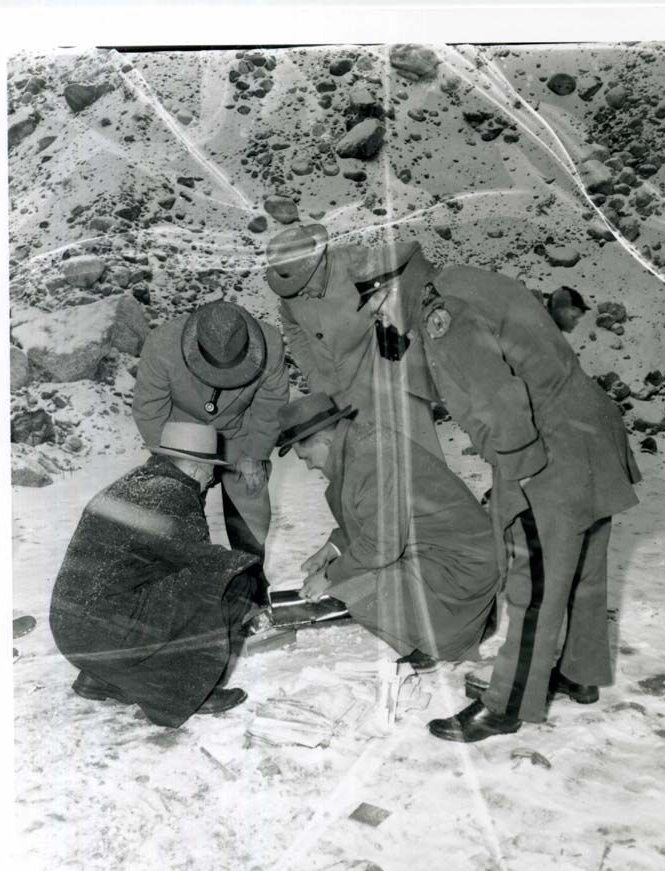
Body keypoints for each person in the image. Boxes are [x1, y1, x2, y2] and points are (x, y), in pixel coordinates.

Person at [352, 244, 641, 742]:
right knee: (585, 565)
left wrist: (519, 474)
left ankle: (507, 706)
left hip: (548, 446)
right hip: (590, 427)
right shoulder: (463, 278)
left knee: (535, 583)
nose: (377, 315)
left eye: (376, 303)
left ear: (395, 286)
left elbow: (498, 398)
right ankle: (580, 672)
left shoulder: (441, 314)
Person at [49, 422, 261, 729]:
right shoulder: (175, 494)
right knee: (233, 579)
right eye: (210, 473)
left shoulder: (134, 482)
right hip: (106, 637)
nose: (210, 481)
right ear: (196, 467)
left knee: (156, 588)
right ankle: (186, 691)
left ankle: (103, 679)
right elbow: (203, 565)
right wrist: (251, 581)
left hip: (71, 633)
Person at [276, 393, 499, 667]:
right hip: (457, 552)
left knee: (356, 588)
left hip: (464, 566)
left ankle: (446, 641)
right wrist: (331, 549)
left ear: (324, 442)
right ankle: (467, 621)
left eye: (306, 457)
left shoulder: (367, 461)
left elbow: (381, 545)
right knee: (357, 572)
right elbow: (375, 516)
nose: (310, 466)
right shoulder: (361, 442)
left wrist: (329, 575)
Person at [132, 299, 288, 601]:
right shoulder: (162, 344)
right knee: (178, 515)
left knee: (250, 503)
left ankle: (251, 587)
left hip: (239, 433)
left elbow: (271, 406)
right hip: (181, 438)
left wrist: (255, 455)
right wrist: (181, 465)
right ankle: (191, 593)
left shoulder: (270, 344)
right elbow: (150, 413)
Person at [265, 225, 443, 459]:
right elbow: (292, 326)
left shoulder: (354, 262)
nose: (301, 293)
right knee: (366, 467)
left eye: (304, 283)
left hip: (389, 384)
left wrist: (409, 322)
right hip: (340, 399)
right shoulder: (292, 292)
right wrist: (313, 374)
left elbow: (411, 256)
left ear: (321, 262)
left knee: (421, 460)